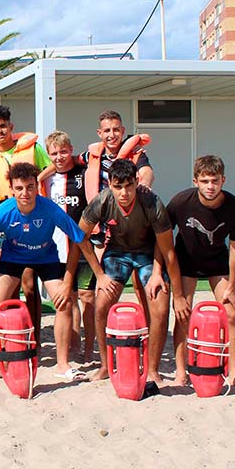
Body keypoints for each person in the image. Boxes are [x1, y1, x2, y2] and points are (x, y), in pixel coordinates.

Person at [0, 162, 97, 382]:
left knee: (64, 302)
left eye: (30, 187)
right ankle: (3, 359)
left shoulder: (49, 208)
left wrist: (98, 274)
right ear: (12, 189)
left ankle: (62, 364)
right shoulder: (2, 212)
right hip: (13, 258)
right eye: (20, 188)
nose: (25, 193)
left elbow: (80, 239)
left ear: (36, 187)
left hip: (46, 257)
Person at [79, 159, 190, 383]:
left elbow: (168, 252)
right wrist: (99, 274)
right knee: (101, 306)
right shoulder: (102, 201)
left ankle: (152, 369)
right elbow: (80, 236)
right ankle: (105, 365)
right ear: (109, 184)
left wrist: (177, 294)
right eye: (118, 186)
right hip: (117, 253)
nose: (124, 192)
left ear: (137, 182)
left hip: (149, 255)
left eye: (129, 186)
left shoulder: (151, 202)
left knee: (160, 305)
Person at [167, 155, 235, 387]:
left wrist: (232, 287)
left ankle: (234, 371)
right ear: (195, 181)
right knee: (183, 314)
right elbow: (163, 239)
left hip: (217, 262)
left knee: (230, 312)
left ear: (223, 180)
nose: (210, 186)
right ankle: (181, 371)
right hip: (186, 261)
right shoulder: (181, 202)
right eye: (204, 181)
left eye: (214, 180)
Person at [0, 105, 54, 343]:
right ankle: (9, 335)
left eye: (3, 126)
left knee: (29, 283)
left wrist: (35, 180)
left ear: (11, 126)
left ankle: (35, 336)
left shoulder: (32, 148)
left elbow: (51, 165)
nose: (0, 131)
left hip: (33, 219)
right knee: (7, 281)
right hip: (6, 220)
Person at [42, 131, 96, 361]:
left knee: (88, 297)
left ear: (71, 150)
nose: (59, 157)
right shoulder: (45, 179)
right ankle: (74, 346)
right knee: (69, 297)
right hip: (57, 248)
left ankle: (89, 347)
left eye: (64, 151)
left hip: (84, 245)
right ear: (49, 155)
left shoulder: (85, 174)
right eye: (54, 153)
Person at [79, 110, 154, 200]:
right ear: (100, 133)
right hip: (99, 210)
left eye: (116, 130)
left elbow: (146, 171)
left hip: (126, 208)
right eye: (107, 130)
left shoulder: (134, 153)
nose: (112, 135)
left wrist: (144, 183)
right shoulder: (90, 155)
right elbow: (70, 160)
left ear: (122, 131)